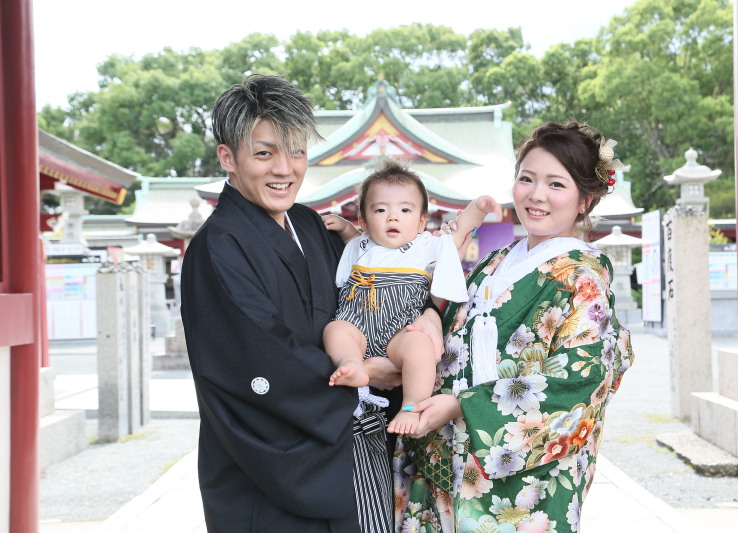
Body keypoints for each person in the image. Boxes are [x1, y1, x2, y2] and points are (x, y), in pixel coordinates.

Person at [180, 74, 441, 533]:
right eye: (264, 153)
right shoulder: (217, 247)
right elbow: (262, 357)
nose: (285, 169)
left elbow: (370, 296)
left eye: (296, 151)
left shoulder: (308, 223)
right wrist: (370, 374)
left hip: (349, 450)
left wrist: (426, 319)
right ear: (229, 158)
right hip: (272, 468)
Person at [393, 120, 636, 533]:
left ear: (585, 200)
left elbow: (581, 383)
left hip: (520, 479)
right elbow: (447, 319)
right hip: (445, 452)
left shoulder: (583, 277)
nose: (536, 195)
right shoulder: (495, 261)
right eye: (527, 179)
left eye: (556, 185)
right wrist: (433, 313)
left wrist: (462, 405)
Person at [322, 159, 501, 435]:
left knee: (420, 346)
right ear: (364, 220)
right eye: (380, 210)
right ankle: (351, 363)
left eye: (405, 210)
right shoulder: (361, 244)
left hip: (401, 328)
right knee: (335, 329)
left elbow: (460, 229)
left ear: (421, 222)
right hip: (356, 321)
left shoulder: (427, 245)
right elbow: (351, 238)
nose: (392, 217)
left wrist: (478, 208)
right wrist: (344, 227)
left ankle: (412, 407)